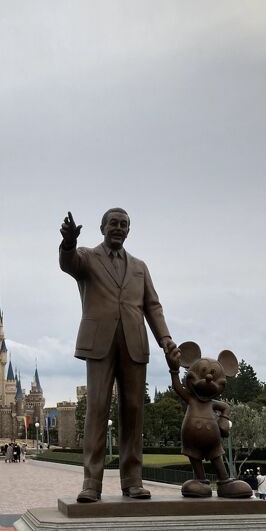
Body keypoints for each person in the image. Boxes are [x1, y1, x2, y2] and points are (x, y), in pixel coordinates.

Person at [60, 208, 179, 502]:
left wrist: (166, 339)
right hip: (99, 343)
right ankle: (91, 483)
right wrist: (68, 243)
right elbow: (68, 263)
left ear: (129, 230)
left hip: (134, 343)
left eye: (124, 225)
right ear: (102, 227)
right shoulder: (88, 257)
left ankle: (132, 480)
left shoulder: (140, 267)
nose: (119, 228)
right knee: (97, 409)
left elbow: (153, 306)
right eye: (113, 223)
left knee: (134, 412)